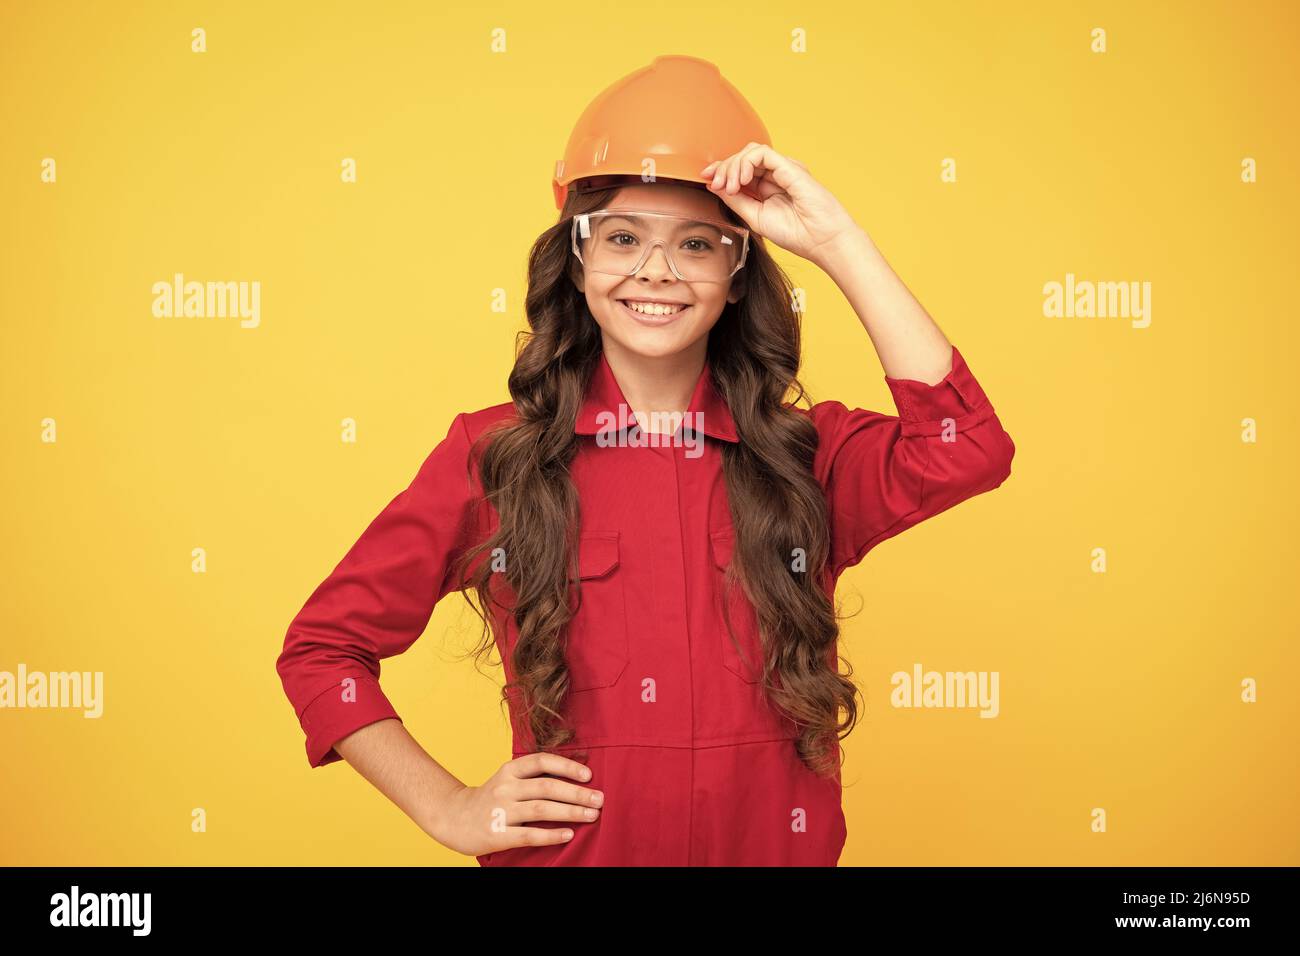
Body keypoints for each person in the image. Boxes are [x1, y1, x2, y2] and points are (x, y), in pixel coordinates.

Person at [275, 55, 1015, 866]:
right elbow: (323, 650)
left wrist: (837, 242)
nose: (656, 271)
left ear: (737, 274)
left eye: (697, 244)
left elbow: (967, 449)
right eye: (623, 238)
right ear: (578, 258)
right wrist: (449, 806)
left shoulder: (809, 456)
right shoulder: (493, 458)